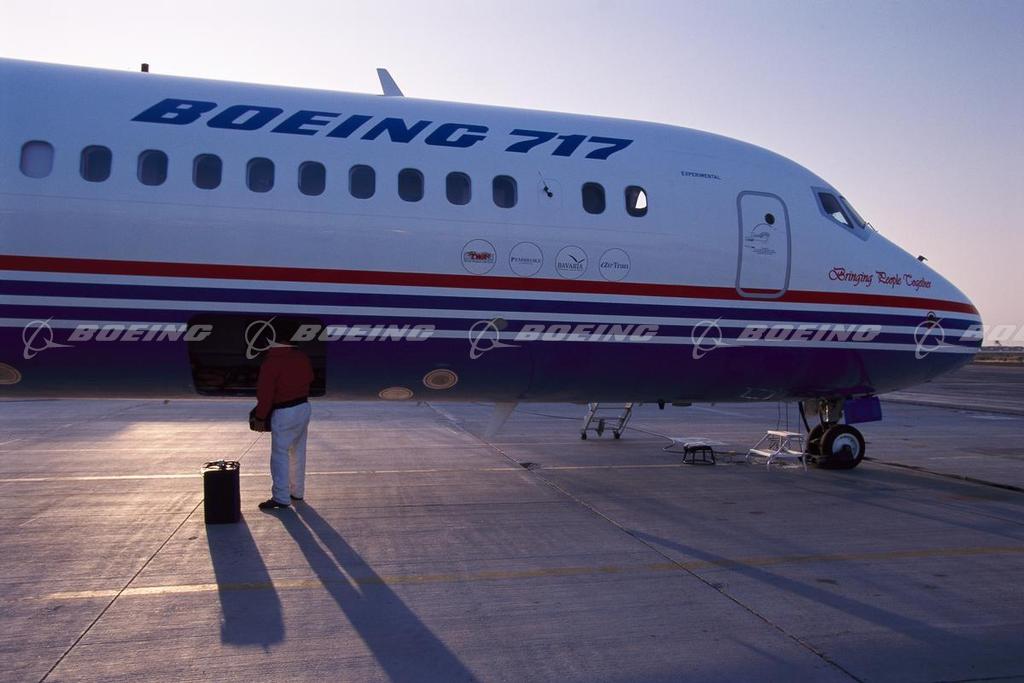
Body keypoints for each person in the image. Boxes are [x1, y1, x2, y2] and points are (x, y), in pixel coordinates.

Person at [251, 319, 314, 510]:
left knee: (280, 455)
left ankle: (281, 497)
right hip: (303, 407)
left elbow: (265, 393)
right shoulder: (302, 357)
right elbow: (311, 377)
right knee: (298, 451)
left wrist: (260, 417)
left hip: (285, 411)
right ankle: (297, 491)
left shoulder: (272, 361)